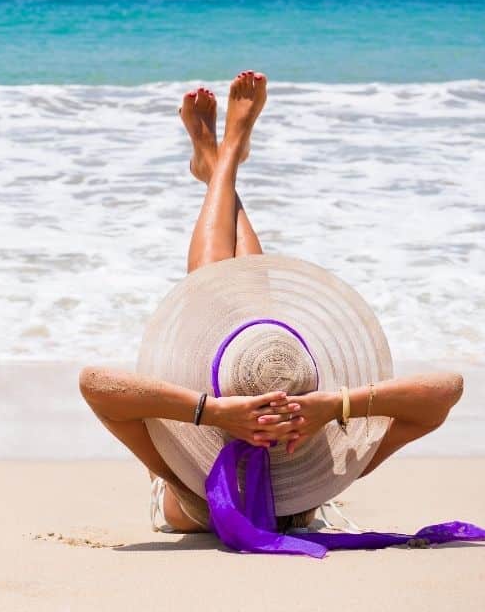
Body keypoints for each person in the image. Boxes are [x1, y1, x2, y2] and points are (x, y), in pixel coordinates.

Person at [79, 71, 464, 537]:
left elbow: (95, 385)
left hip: (195, 459)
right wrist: (334, 406)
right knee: (250, 323)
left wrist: (214, 414)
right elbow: (446, 391)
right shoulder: (331, 467)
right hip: (288, 431)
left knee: (220, 298)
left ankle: (221, 164)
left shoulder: (188, 476)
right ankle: (222, 162)